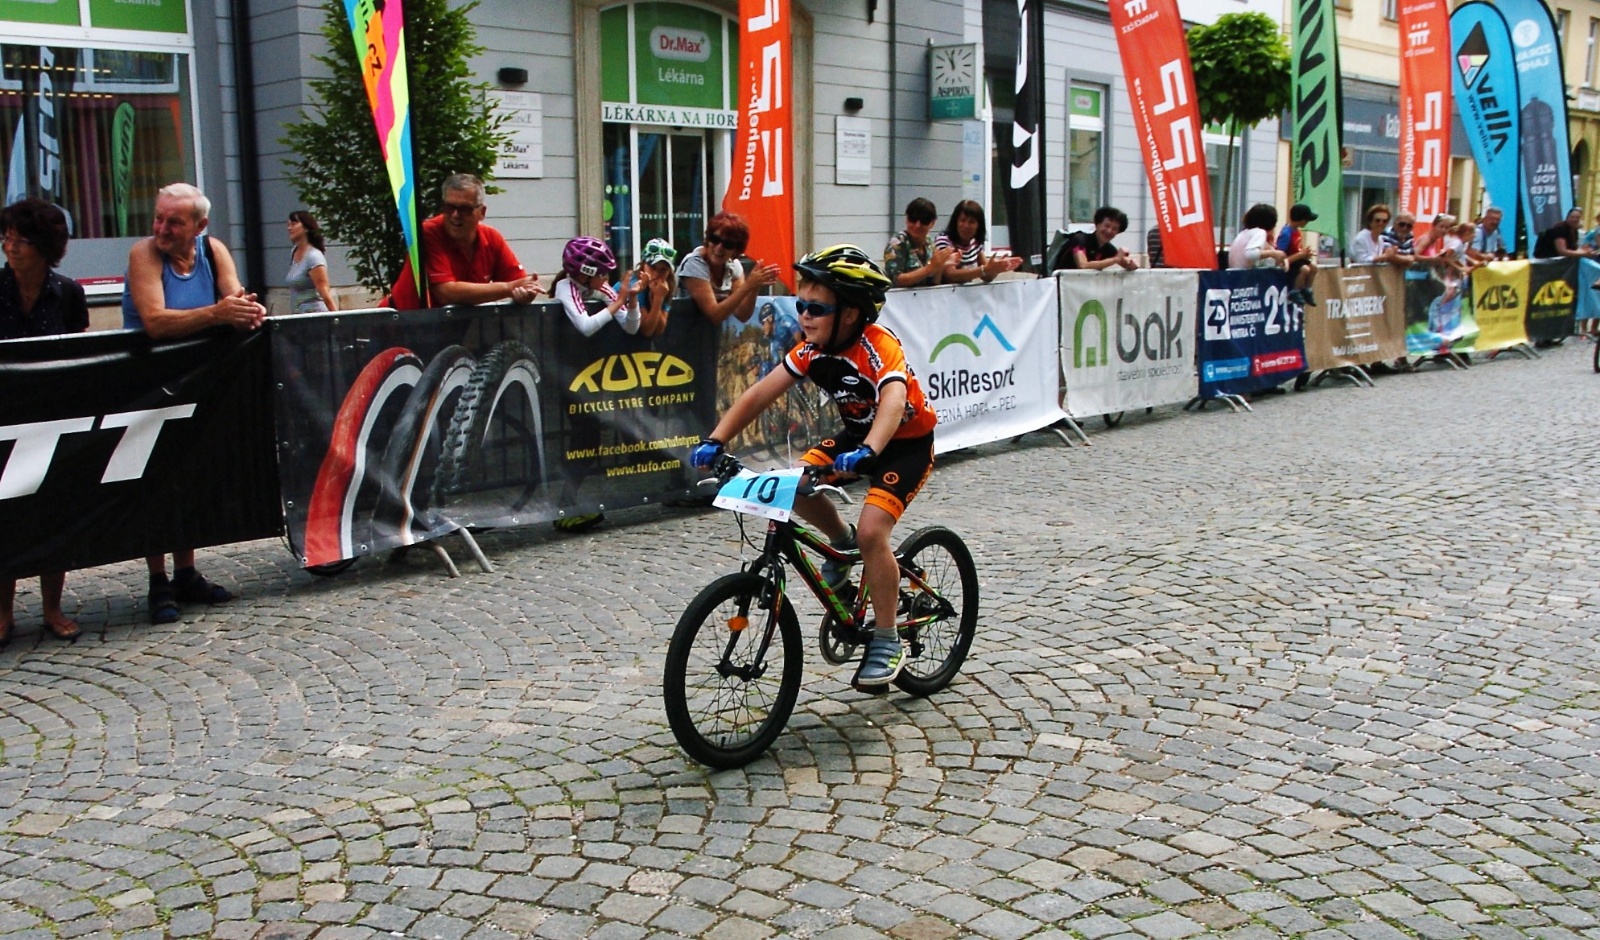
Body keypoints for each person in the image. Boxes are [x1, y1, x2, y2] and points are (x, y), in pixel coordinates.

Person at [690, 245, 936, 688]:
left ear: (850, 313)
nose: (804, 315)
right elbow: (759, 394)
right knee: (795, 483)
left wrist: (871, 449)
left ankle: (887, 639)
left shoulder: (877, 345)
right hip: (858, 437)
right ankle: (841, 543)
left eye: (816, 308)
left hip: (903, 445)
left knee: (873, 533)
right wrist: (716, 438)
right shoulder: (811, 351)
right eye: (800, 305)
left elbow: (894, 399)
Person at [121, 182, 258, 622]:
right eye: (158, 218)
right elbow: (155, 321)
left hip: (196, 386)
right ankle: (157, 579)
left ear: (200, 226)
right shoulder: (145, 255)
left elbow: (233, 298)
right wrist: (219, 313)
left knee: (190, 476)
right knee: (153, 482)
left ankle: (186, 571)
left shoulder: (214, 251)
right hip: (148, 386)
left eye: (174, 222)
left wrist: (247, 312)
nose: (161, 228)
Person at [1, 198, 89, 645]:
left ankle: (52, 609)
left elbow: (79, 355)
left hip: (53, 419)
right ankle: (2, 614)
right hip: (4, 419)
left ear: (45, 248)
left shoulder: (68, 293)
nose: (10, 247)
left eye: (21, 240)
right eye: (6, 238)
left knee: (52, 514)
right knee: (5, 515)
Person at [388, 173, 542, 310]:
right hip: (400, 323)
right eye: (449, 207)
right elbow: (446, 293)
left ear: (482, 212)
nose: (455, 215)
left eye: (465, 209)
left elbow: (520, 283)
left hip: (446, 326)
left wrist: (525, 294)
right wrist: (509, 288)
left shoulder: (492, 237)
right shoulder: (428, 232)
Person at [677, 212, 780, 324]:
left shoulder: (733, 266)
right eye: (715, 239)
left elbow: (742, 315)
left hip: (707, 333)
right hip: (680, 331)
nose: (719, 247)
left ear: (736, 250)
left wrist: (755, 286)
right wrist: (748, 285)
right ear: (708, 239)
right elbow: (715, 315)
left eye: (728, 244)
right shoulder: (694, 264)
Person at [551, 237, 640, 337]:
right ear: (584, 276)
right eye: (602, 274)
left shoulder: (601, 288)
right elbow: (586, 327)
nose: (606, 278)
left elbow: (631, 328)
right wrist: (619, 302)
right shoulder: (565, 287)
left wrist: (633, 297)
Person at [936, 200, 1022, 284]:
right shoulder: (944, 240)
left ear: (979, 226)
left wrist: (997, 268)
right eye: (962, 220)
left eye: (972, 222)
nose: (966, 225)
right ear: (955, 222)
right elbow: (950, 275)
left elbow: (987, 277)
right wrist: (984, 270)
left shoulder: (975, 243)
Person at [882, 197, 953, 288]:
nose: (917, 225)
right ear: (906, 219)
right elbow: (896, 280)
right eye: (913, 219)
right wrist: (929, 269)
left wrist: (941, 265)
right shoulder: (898, 243)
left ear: (932, 223)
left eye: (924, 221)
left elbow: (935, 282)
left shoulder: (929, 243)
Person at [1054, 206, 1138, 272]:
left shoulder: (1109, 249)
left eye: (1114, 229)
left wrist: (1131, 263)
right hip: (1059, 285)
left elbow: (1128, 264)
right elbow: (1083, 265)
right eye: (1107, 226)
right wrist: (1115, 259)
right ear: (1097, 224)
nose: (1109, 231)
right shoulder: (1080, 239)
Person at [285, 210, 337, 313]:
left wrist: (337, 317)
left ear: (306, 227)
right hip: (298, 315)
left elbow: (324, 290)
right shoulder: (294, 251)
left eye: (294, 224)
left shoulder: (313, 256)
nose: (289, 228)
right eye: (288, 225)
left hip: (314, 314)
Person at [1275, 204, 1319, 305]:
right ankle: (1295, 291)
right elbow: (1280, 256)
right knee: (1305, 269)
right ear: (1302, 220)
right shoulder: (1286, 233)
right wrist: (1301, 255)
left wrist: (1305, 253)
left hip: (1297, 259)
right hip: (1290, 262)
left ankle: (1307, 289)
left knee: (1314, 267)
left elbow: (1297, 248)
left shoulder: (1296, 231)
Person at [634, 238, 676, 338]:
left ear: (669, 272)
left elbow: (659, 330)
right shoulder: (635, 285)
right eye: (653, 267)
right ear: (643, 265)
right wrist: (658, 299)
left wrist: (656, 299)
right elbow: (646, 331)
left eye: (663, 270)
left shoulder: (664, 287)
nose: (657, 273)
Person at [1226, 204, 1286, 270]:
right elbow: (1250, 254)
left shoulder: (1243, 234)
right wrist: (1274, 253)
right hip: (1246, 274)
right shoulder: (1260, 232)